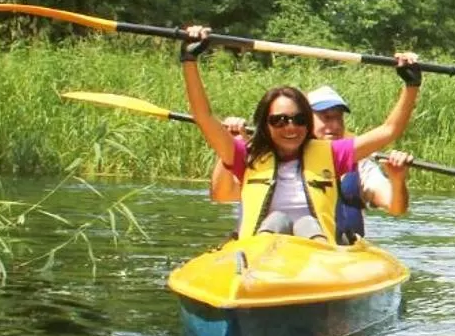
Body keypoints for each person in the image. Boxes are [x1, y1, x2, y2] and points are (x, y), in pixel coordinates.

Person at [179, 25, 421, 242]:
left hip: (315, 252)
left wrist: (411, 85)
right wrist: (190, 59)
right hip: (260, 252)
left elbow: (389, 130)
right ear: (266, 124)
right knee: (277, 220)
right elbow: (203, 116)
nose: (290, 127)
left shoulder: (333, 153)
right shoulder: (244, 154)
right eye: (279, 120)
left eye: (299, 119)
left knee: (307, 224)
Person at [306, 84, 412, 242]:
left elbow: (396, 208)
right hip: (303, 249)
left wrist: (397, 180)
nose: (335, 126)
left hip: (348, 253)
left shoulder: (360, 163)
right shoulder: (292, 158)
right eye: (326, 117)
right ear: (306, 120)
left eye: (338, 118)